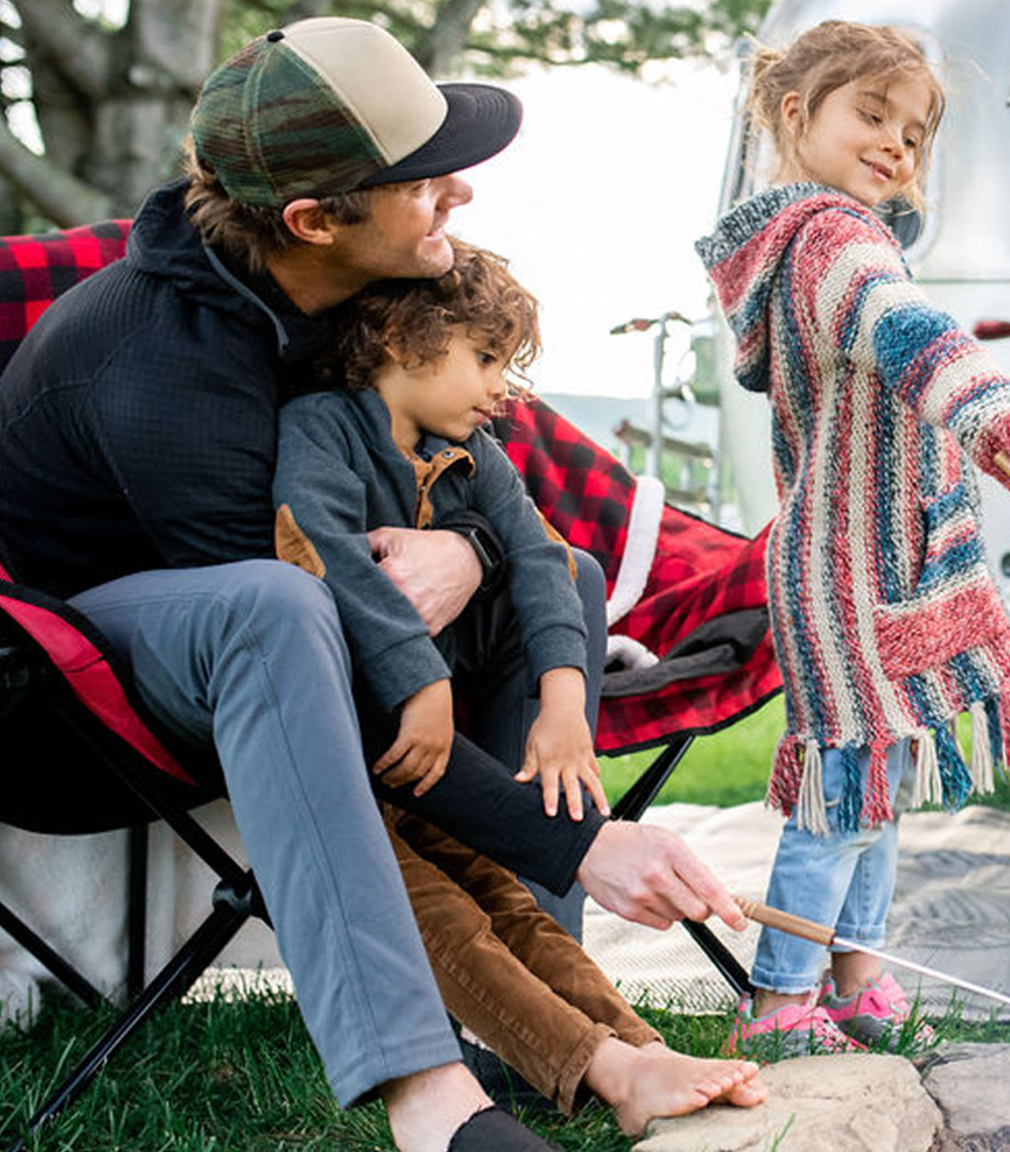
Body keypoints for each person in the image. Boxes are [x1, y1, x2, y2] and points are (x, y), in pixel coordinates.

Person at [0, 18, 745, 1152]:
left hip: (301, 652)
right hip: (76, 699)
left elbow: (486, 499)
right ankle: (428, 1099)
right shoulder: (154, 366)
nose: (460, 193)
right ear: (312, 219)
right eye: (423, 177)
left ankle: (545, 1040)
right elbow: (331, 671)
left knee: (559, 574)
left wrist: (475, 551)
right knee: (277, 604)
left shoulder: (360, 302)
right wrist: (579, 841)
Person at [274, 239, 765, 1132]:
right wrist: (423, 685)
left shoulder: (470, 449)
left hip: (433, 762)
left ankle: (641, 1052)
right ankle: (598, 1069)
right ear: (400, 338)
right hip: (335, 744)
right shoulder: (321, 429)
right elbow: (326, 558)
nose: (502, 388)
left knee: (506, 899)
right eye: (486, 358)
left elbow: (542, 558)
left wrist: (567, 706)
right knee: (445, 914)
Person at [694, 20, 1010, 1055]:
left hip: (859, 557)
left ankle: (856, 978)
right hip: (848, 569)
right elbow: (913, 336)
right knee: (844, 790)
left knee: (877, 777)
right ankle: (777, 1005)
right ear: (795, 114)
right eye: (871, 115)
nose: (895, 145)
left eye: (912, 133)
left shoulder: (818, 238)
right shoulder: (833, 238)